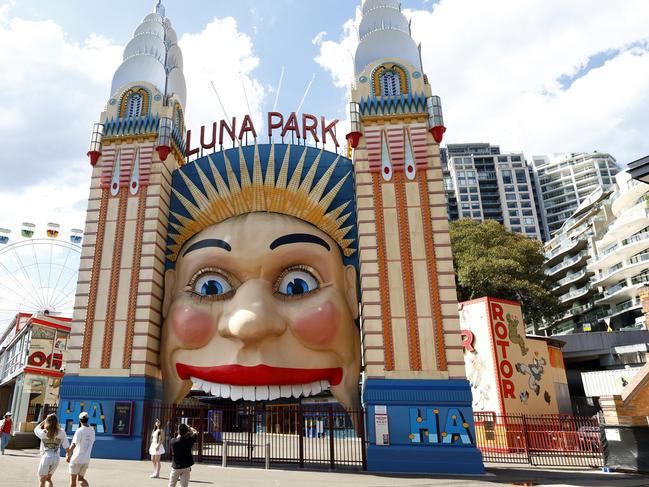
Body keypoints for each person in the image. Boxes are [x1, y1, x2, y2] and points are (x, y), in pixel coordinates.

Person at [34, 413, 70, 487]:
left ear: (47, 421)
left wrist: (44, 421)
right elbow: (66, 446)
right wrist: (68, 455)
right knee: (48, 479)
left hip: (46, 457)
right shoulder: (61, 432)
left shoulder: (43, 432)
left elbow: (36, 429)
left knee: (42, 480)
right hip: (56, 458)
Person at [66, 412, 95, 487]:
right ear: (87, 419)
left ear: (80, 420)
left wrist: (68, 455)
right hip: (86, 459)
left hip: (76, 459)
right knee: (81, 479)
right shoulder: (92, 430)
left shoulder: (79, 430)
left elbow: (74, 444)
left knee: (73, 480)